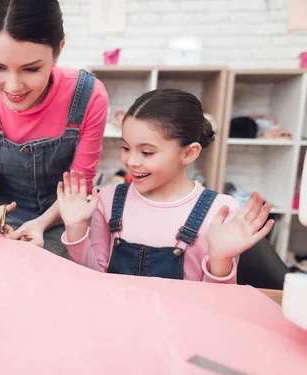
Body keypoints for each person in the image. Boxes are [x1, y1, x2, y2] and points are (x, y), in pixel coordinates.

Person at [57, 88, 274, 282]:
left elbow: (216, 305)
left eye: (147, 152)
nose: (131, 161)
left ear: (189, 153)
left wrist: (220, 258)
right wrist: (75, 228)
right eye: (125, 148)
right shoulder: (109, 198)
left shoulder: (220, 211)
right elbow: (92, 282)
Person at [0, 0, 108, 257]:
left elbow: (79, 183)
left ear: (58, 51)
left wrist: (40, 223)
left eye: (31, 69)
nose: (14, 86)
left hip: (64, 219)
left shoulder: (88, 96)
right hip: (4, 220)